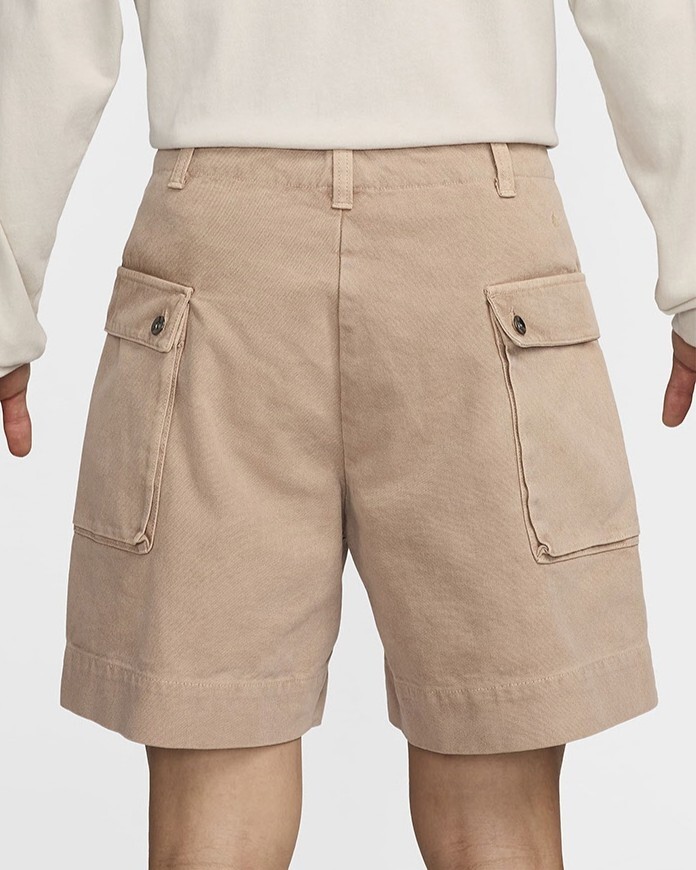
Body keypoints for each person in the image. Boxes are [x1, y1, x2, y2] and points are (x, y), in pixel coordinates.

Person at [1, 2, 694, 868]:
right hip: (479, 251)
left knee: (213, 821)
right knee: (496, 819)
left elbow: (49, 22)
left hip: (219, 245)